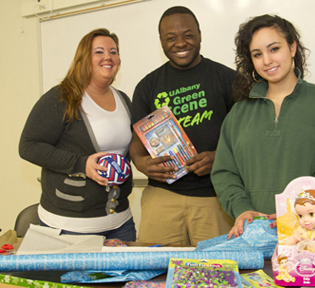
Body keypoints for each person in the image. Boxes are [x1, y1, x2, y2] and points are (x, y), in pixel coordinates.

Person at [211, 14, 315, 239]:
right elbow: (225, 172)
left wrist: (303, 212)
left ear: (292, 48)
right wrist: (241, 207)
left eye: (274, 49)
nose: (267, 60)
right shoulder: (239, 113)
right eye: (257, 54)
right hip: (255, 236)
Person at [130, 6, 235, 246]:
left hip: (215, 196)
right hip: (162, 196)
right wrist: (141, 162)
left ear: (199, 34)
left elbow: (248, 139)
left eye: (187, 35)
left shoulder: (228, 79)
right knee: (155, 274)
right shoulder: (147, 86)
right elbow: (136, 144)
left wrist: (220, 158)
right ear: (161, 41)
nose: (180, 43)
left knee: (219, 275)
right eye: (170, 37)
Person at [19, 28, 136, 241]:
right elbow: (29, 145)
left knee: (126, 276)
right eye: (99, 52)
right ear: (84, 58)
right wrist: (82, 164)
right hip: (70, 226)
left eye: (114, 51)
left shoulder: (124, 100)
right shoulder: (61, 98)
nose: (108, 57)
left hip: (121, 222)